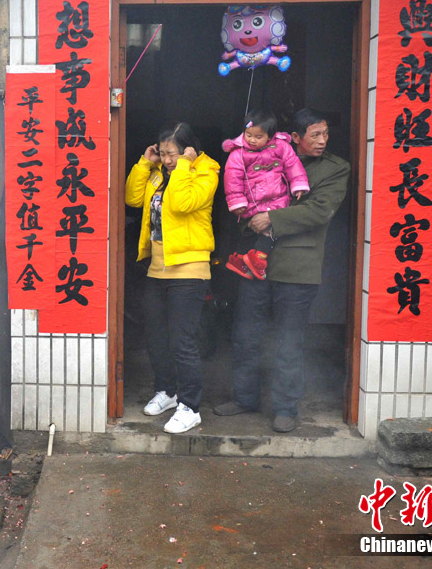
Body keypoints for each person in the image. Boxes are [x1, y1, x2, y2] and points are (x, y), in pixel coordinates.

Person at [214, 108, 350, 433]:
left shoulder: (335, 168)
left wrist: (272, 219)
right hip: (254, 262)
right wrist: (249, 217)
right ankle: (244, 398)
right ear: (296, 137)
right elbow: (241, 193)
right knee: (245, 334)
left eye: (325, 134)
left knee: (288, 342)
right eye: (315, 135)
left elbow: (319, 210)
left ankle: (286, 407)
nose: (322, 140)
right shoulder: (261, 153)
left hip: (298, 267)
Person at [125, 122, 221, 434]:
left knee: (183, 340)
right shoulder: (159, 173)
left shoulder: (206, 171)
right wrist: (145, 162)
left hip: (190, 268)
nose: (167, 159)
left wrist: (183, 166)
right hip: (158, 267)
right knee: (155, 334)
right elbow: (132, 199)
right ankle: (167, 391)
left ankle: (190, 407)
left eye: (173, 153)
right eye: (163, 153)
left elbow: (181, 205)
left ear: (189, 150)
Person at [222, 109, 310, 280]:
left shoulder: (281, 146)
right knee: (259, 230)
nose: (252, 140)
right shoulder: (238, 152)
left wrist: (298, 185)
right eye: (248, 135)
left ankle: (240, 258)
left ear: (270, 136)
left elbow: (293, 165)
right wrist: (237, 201)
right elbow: (232, 178)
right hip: (252, 201)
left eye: (258, 137)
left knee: (271, 226)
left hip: (277, 197)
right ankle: (257, 259)